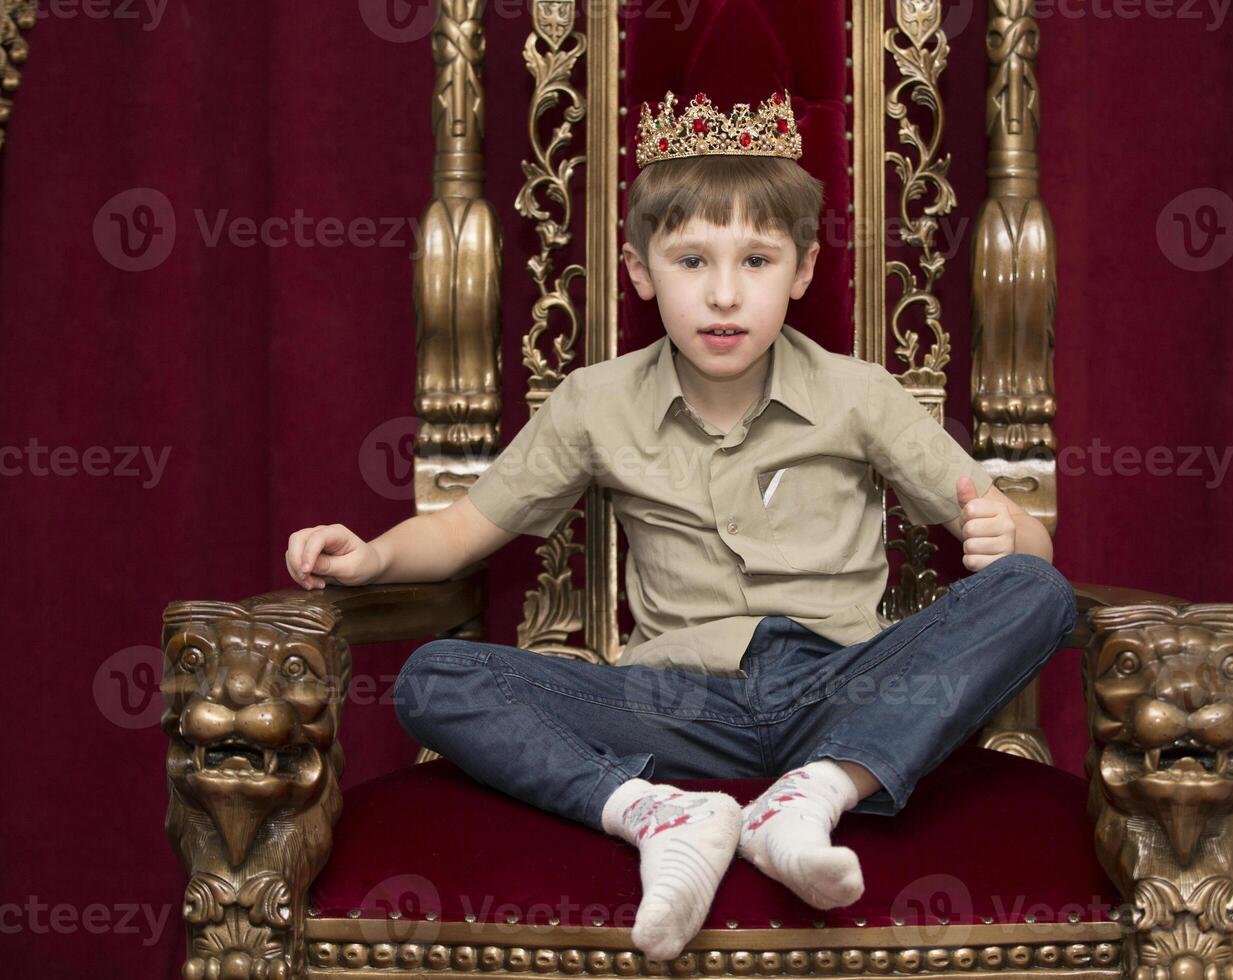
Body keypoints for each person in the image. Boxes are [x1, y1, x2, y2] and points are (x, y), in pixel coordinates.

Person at [282, 88, 1076, 964]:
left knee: (1037, 593)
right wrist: (373, 556)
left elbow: (1015, 536)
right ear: (638, 268)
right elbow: (463, 530)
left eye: (757, 260)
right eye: (692, 260)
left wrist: (1013, 536)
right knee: (435, 679)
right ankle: (661, 815)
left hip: (843, 688)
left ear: (803, 271)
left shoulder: (859, 395)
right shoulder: (596, 401)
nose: (724, 294)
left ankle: (813, 793)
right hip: (677, 703)